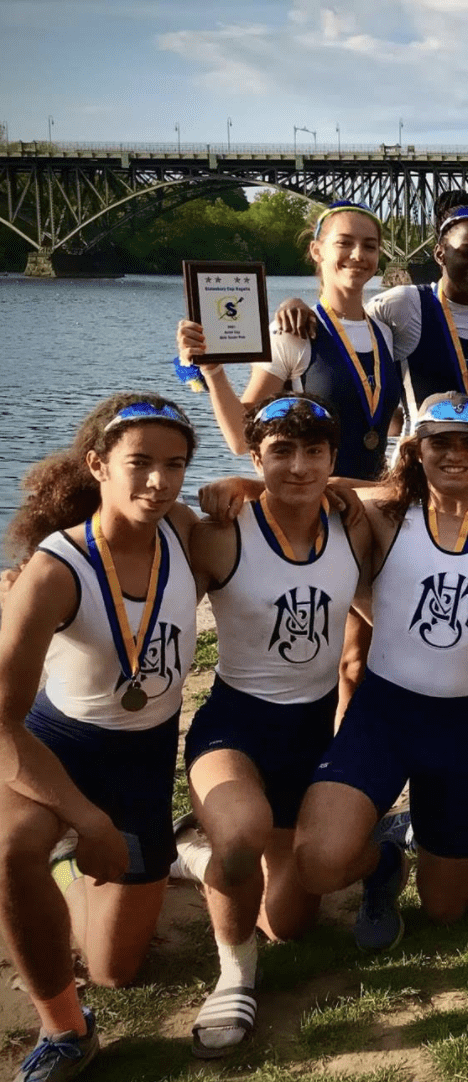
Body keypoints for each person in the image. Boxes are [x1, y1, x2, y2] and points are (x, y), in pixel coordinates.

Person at [290, 393, 468, 953]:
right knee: (318, 863)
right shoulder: (383, 511)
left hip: (463, 725)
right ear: (415, 450)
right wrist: (237, 488)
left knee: (447, 910)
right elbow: (297, 491)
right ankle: (382, 863)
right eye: (440, 442)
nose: (455, 454)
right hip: (384, 713)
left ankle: (416, 832)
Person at [0, 395, 200, 1081]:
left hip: (144, 760)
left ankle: (77, 863)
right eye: (139, 463)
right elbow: (0, 722)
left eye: (174, 465)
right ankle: (64, 1030)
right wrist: (86, 817)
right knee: (9, 850)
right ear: (98, 465)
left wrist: (235, 490)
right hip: (57, 748)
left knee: (116, 970)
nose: (158, 481)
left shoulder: (180, 526)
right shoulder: (55, 572)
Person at [175, 395, 369, 1058]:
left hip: (312, 735)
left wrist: (339, 487)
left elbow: (410, 483)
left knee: (290, 923)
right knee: (242, 836)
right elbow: (152, 589)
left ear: (333, 458)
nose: (299, 466)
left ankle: (196, 857)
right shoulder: (224, 532)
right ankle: (233, 978)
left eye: (314, 451)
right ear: (253, 456)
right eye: (280, 452)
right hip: (235, 726)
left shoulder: (352, 524)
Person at [177, 200, 400, 482]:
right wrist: (212, 370)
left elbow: (380, 418)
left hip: (373, 506)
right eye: (344, 243)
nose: (358, 255)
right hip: (318, 509)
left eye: (370, 246)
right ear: (316, 250)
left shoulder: (385, 331)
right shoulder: (291, 333)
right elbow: (240, 439)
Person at [273, 192, 468, 433]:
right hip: (418, 465)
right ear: (439, 254)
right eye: (467, 252)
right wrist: (295, 304)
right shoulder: (403, 303)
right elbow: (345, 328)